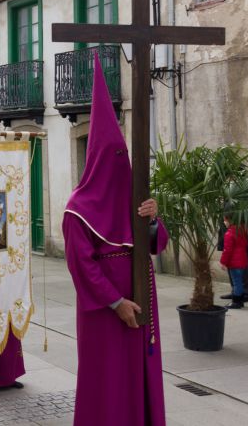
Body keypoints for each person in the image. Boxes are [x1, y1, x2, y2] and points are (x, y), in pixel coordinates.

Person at [62, 54, 168, 426]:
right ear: (97, 161)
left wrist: (153, 218)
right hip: (105, 313)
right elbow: (81, 266)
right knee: (108, 382)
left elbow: (158, 243)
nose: (122, 163)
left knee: (140, 372)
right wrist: (116, 302)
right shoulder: (77, 209)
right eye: (115, 156)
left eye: (125, 156)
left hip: (142, 299)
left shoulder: (134, 196)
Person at [220, 222, 248, 303]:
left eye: (225, 220)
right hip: (241, 261)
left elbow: (227, 250)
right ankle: (239, 299)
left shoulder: (229, 233)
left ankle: (237, 302)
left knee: (236, 282)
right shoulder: (242, 231)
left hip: (234, 263)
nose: (224, 222)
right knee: (238, 281)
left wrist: (223, 262)